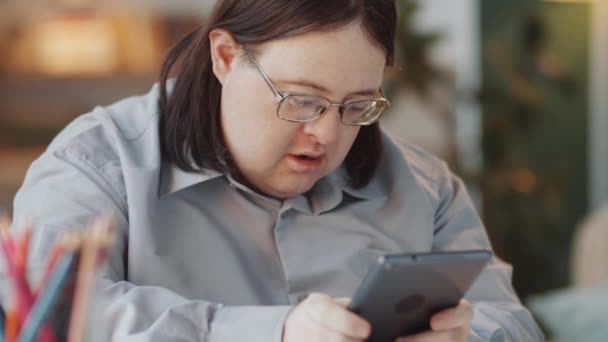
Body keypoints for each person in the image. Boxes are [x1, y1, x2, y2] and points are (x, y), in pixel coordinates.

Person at [4, 0, 542, 341]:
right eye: (303, 100)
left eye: (356, 105)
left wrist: (467, 338)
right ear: (225, 57)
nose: (328, 135)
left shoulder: (427, 187)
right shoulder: (96, 165)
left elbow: (514, 322)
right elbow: (49, 322)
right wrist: (274, 332)